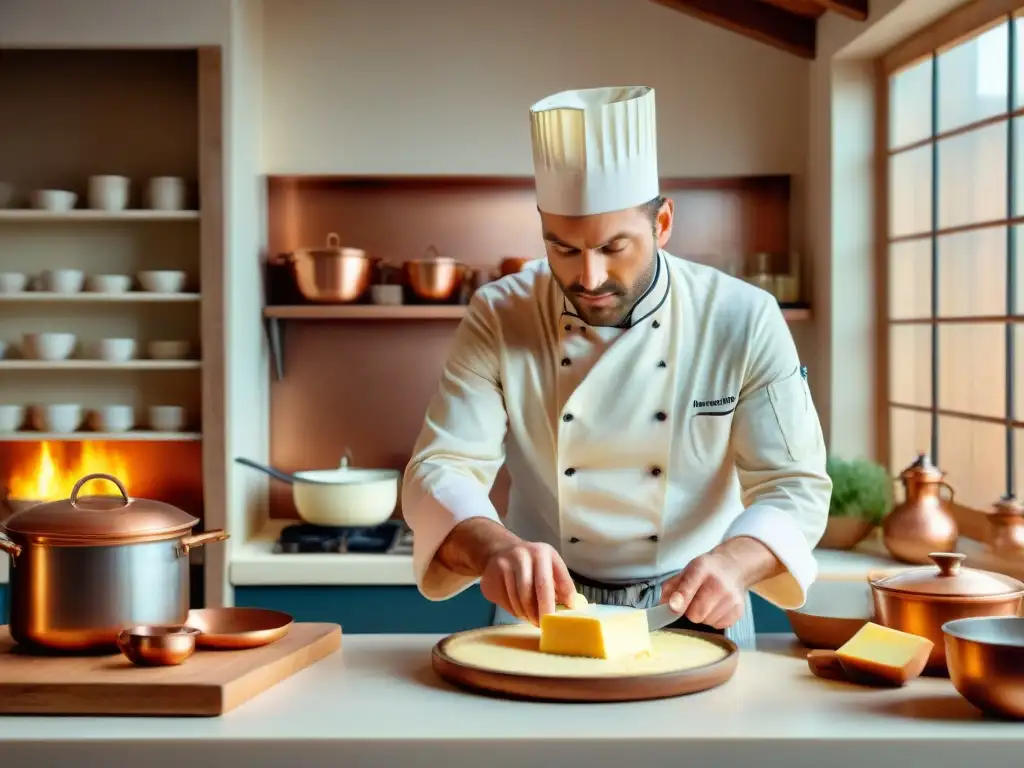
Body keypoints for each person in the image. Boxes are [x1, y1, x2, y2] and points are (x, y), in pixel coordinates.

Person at [401, 85, 831, 649]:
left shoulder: (742, 318)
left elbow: (794, 486)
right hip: (542, 608)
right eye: (563, 249)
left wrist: (735, 563)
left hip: (697, 603)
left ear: (663, 224)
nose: (590, 277)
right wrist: (496, 549)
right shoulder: (500, 313)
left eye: (615, 247)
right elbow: (442, 467)